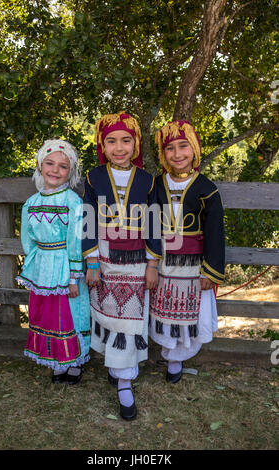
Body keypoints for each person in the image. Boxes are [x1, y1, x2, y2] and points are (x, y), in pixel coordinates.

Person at [82, 112, 161, 420]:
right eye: (111, 141)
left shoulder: (148, 181)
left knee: (131, 319)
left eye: (126, 141)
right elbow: (87, 220)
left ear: (136, 144)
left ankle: (125, 382)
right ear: (102, 144)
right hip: (103, 258)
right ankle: (118, 369)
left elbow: (156, 224)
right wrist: (90, 261)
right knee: (109, 315)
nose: (119, 148)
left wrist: (153, 264)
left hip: (137, 261)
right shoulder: (93, 177)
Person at [149, 120, 225, 383]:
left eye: (183, 146)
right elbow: (147, 225)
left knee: (190, 315)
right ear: (163, 153)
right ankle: (169, 354)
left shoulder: (207, 189)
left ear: (194, 149)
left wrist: (210, 271)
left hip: (194, 268)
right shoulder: (155, 186)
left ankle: (177, 360)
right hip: (163, 265)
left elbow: (215, 234)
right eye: (170, 148)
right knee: (165, 313)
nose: (177, 154)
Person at [17, 139, 90, 385]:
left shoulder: (72, 202)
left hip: (65, 267)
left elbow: (76, 242)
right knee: (47, 314)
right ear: (39, 165)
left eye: (62, 166)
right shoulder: (32, 203)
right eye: (49, 164)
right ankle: (57, 360)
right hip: (43, 269)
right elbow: (28, 241)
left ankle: (74, 362)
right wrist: (36, 267)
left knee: (69, 313)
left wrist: (72, 277)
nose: (55, 170)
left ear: (71, 172)